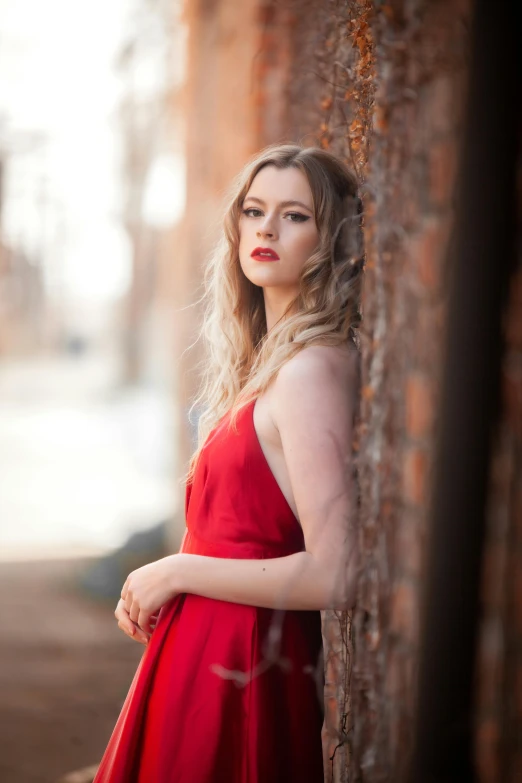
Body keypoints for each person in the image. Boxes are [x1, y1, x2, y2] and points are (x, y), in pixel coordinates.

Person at [93, 142, 363, 783]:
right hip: (199, 659)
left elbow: (337, 571)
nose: (267, 228)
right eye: (254, 210)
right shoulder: (269, 365)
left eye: (296, 216)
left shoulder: (311, 371)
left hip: (242, 674)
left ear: (334, 240)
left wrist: (178, 570)